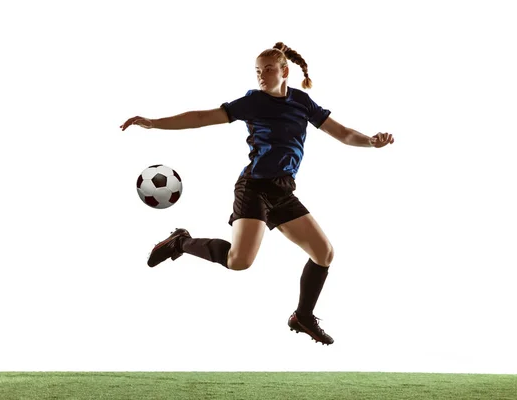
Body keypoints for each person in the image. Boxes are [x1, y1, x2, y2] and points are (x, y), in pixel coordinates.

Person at [120, 42, 394, 345]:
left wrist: (371, 141)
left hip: (283, 191)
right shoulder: (253, 102)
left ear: (284, 71)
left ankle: (302, 316)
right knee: (239, 261)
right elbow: (202, 118)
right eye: (257, 71)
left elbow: (342, 133)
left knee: (324, 253)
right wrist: (155, 124)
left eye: (268, 70)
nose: (262, 76)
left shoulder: (302, 102)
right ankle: (180, 242)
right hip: (253, 187)